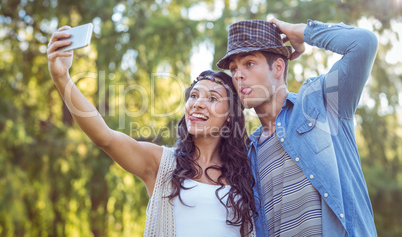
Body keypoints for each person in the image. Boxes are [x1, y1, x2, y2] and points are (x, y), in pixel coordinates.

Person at [47, 27, 257, 236]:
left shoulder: (247, 170)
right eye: (194, 96)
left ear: (230, 114)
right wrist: (62, 77)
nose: (198, 104)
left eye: (212, 98)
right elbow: (104, 137)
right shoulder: (162, 164)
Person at [216, 18, 378, 236]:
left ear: (278, 67)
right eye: (234, 68)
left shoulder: (322, 102)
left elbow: (363, 43)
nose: (238, 75)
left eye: (249, 63)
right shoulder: (246, 154)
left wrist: (299, 32)